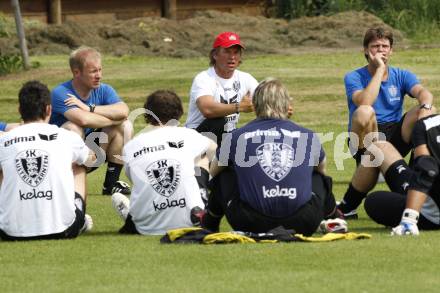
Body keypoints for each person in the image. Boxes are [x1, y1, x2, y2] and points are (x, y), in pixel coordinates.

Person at [202, 78, 341, 235]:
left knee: (224, 174)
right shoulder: (308, 135)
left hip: (250, 222)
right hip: (303, 221)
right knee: (318, 176)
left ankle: (209, 224)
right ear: (286, 104)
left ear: (255, 104)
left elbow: (212, 174)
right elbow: (322, 172)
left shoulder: (236, 136)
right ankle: (334, 218)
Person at [339, 27, 434, 217]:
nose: (381, 50)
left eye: (385, 46)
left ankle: (417, 171)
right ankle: (376, 170)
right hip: (366, 137)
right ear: (366, 50)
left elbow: (424, 94)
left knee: (427, 110)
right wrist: (379, 70)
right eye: (375, 46)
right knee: (364, 112)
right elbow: (365, 101)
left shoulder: (401, 75)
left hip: (394, 134)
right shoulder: (354, 77)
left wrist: (426, 107)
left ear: (391, 50)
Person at [111, 90, 217, 235]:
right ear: (179, 113)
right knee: (202, 157)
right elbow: (214, 150)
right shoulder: (188, 135)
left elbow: (136, 179)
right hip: (191, 222)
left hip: (144, 226)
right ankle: (199, 200)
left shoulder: (130, 146)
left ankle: (133, 215)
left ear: (147, 114)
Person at [0, 80, 95, 241]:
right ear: (48, 109)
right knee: (79, 165)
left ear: (20, 110)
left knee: (3, 167)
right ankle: (78, 218)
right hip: (63, 230)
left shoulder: (4, 140)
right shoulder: (67, 137)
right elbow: (90, 160)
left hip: (9, 233)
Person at [50, 46, 133, 195]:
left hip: (90, 154)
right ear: (77, 72)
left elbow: (124, 111)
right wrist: (114, 120)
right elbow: (83, 120)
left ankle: (111, 185)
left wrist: (90, 108)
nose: (99, 75)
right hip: (58, 161)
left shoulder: (104, 89)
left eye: (100, 70)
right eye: (93, 71)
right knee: (72, 127)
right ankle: (69, 185)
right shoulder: (61, 93)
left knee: (125, 125)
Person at [352, 115, 440, 235]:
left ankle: (413, 212)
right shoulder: (429, 124)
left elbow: (426, 172)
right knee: (379, 148)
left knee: (373, 201)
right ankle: (345, 209)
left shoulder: (427, 125)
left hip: (431, 212)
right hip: (423, 189)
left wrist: (409, 219)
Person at [185, 31, 258, 145]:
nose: (232, 57)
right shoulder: (204, 78)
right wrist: (239, 106)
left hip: (227, 135)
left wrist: (283, 109)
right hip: (197, 137)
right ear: (215, 55)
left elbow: (265, 98)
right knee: (218, 121)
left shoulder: (245, 78)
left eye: (236, 52)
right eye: (227, 52)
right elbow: (208, 110)